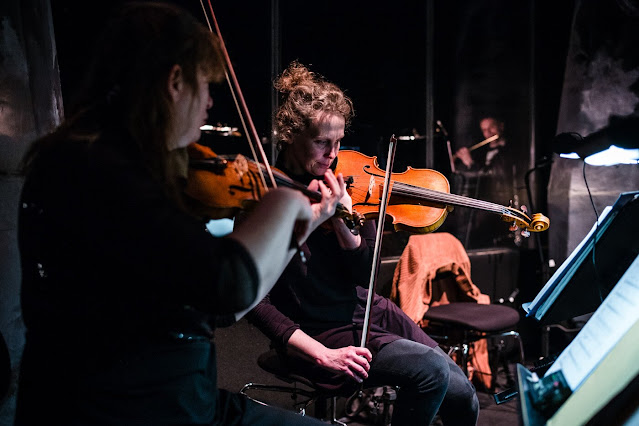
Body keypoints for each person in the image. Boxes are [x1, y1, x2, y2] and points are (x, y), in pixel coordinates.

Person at [15, 3, 341, 425]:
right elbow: (226, 284)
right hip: (130, 409)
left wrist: (303, 227)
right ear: (174, 82)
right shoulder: (98, 170)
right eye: (204, 85)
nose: (209, 103)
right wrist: (283, 205)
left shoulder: (118, 162)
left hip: (179, 395)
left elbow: (223, 308)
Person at [246, 62, 479, 426]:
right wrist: (321, 353)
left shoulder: (347, 187)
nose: (333, 154)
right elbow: (254, 302)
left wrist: (344, 221)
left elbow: (364, 275)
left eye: (338, 142)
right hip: (318, 329)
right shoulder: (265, 199)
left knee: (464, 396)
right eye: (321, 142)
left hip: (368, 311)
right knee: (430, 371)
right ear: (291, 135)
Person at [453, 116, 519, 248]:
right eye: (484, 130)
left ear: (501, 126)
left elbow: (491, 176)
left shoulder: (508, 151)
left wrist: (470, 163)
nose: (488, 133)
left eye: (491, 127)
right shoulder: (482, 152)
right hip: (483, 203)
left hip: (499, 204)